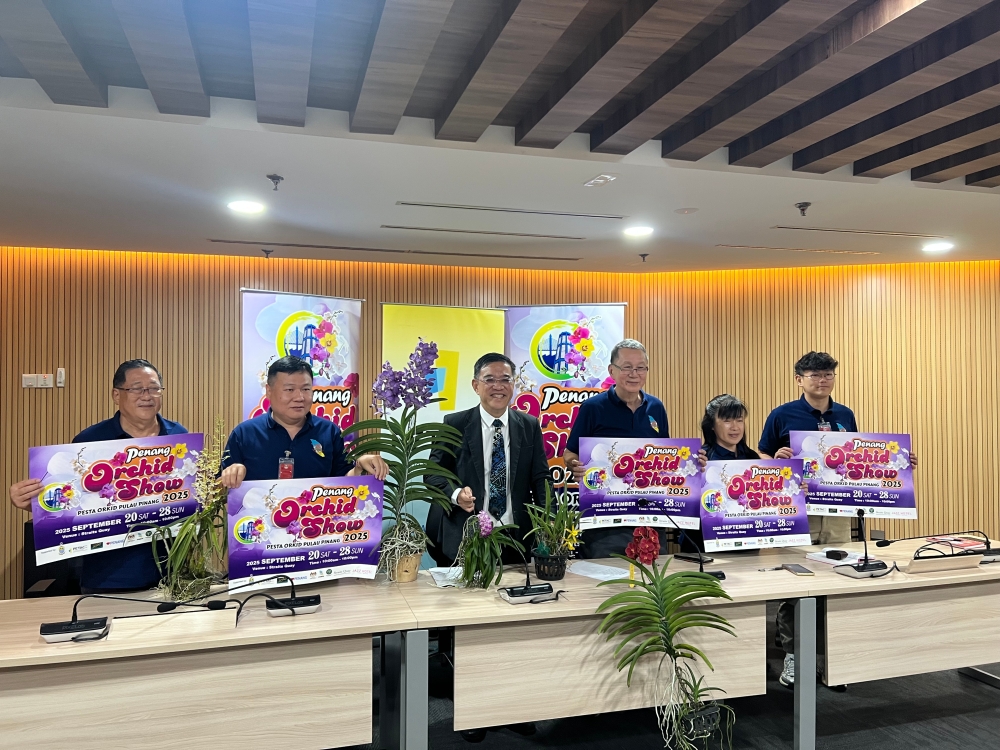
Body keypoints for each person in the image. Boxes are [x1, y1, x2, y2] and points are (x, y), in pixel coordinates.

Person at [760, 351, 916, 689]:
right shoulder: (781, 415)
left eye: (828, 373)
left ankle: (831, 660)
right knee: (796, 583)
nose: (822, 379)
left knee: (838, 580)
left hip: (837, 512)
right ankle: (793, 656)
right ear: (799, 379)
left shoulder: (844, 414)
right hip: (797, 509)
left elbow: (857, 459)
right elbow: (759, 456)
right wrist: (775, 458)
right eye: (814, 374)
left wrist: (897, 463)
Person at [8, 359, 186, 593]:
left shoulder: (179, 437)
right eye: (136, 388)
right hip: (105, 577)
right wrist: (35, 502)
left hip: (171, 572)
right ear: (116, 394)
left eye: (154, 388)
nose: (147, 395)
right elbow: (71, 502)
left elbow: (191, 497)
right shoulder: (88, 442)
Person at [425, 352, 550, 567]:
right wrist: (456, 494)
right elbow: (432, 473)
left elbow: (541, 478)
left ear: (514, 384)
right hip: (465, 534)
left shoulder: (529, 425)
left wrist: (549, 523)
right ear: (476, 385)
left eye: (505, 380)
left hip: (515, 536)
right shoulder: (454, 424)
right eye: (489, 380)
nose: (498, 386)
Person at [563, 339, 673, 559]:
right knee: (606, 585)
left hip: (649, 518)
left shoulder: (656, 407)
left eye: (640, 367)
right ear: (612, 371)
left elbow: (666, 456)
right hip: (605, 522)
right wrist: (576, 465)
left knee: (651, 586)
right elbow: (570, 453)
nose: (634, 373)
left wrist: (689, 463)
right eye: (627, 367)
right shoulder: (593, 407)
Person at [220, 356, 387, 488]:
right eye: (289, 389)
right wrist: (231, 475)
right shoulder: (244, 433)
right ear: (269, 391)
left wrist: (359, 466)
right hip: (260, 527)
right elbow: (217, 489)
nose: (299, 397)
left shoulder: (329, 432)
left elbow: (343, 481)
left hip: (316, 527)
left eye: (306, 389)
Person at [680, 394, 761, 554]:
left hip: (747, 544)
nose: (735, 427)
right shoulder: (699, 459)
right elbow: (684, 504)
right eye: (727, 420)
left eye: (739, 420)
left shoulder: (753, 458)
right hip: (704, 546)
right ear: (711, 425)